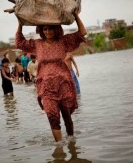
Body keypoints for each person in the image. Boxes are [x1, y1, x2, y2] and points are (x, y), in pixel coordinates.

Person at [15, 10, 86, 143]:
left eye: (51, 29)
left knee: (67, 116)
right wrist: (20, 23)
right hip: (46, 87)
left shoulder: (63, 42)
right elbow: (19, 42)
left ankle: (71, 143)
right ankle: (59, 148)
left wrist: (76, 15)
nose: (48, 32)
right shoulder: (37, 44)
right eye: (45, 29)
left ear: (56, 29)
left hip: (63, 85)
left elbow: (82, 33)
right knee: (52, 116)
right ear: (41, 30)